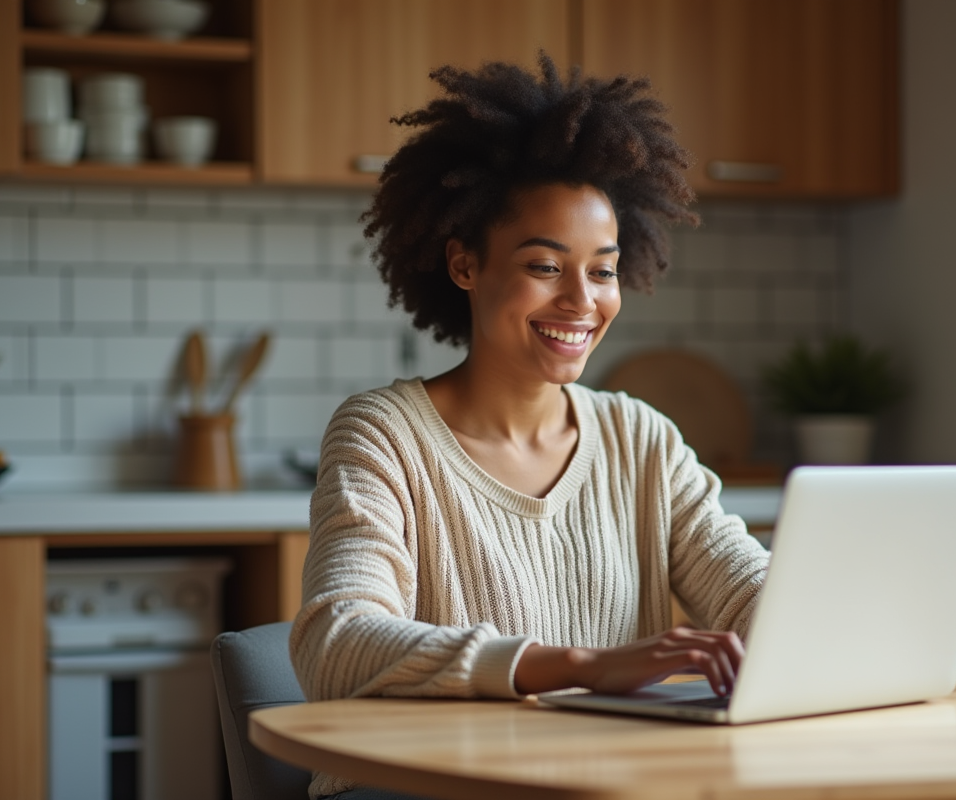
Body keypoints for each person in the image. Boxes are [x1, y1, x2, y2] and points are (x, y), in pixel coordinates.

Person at [291, 53, 771, 800]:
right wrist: (580, 666)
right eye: (546, 266)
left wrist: (823, 617)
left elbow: (746, 589)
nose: (583, 301)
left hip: (602, 784)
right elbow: (337, 642)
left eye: (603, 269)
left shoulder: (641, 440)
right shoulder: (383, 433)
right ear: (464, 265)